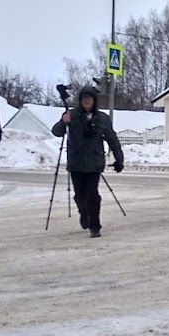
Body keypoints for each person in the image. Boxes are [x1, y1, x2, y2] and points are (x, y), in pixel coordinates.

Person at [51, 86, 123, 238]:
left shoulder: (103, 118)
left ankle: (95, 225)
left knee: (92, 195)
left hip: (94, 164)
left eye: (90, 99)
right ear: (80, 100)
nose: (87, 101)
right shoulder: (71, 115)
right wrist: (64, 122)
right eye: (84, 99)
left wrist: (119, 159)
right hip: (76, 163)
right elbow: (56, 132)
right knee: (79, 195)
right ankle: (84, 214)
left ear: (94, 101)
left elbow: (112, 139)